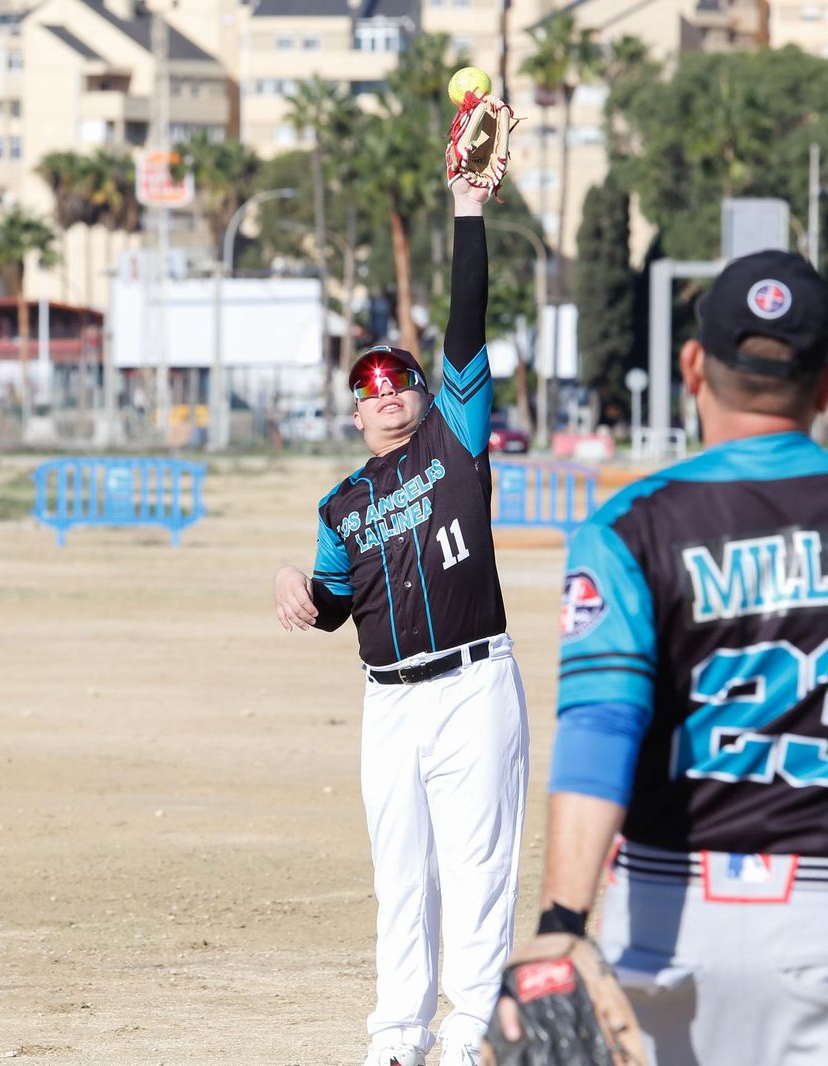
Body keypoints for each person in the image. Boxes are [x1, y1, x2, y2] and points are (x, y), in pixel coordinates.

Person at [499, 250, 828, 1066]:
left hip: (677, 917)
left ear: (691, 366)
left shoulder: (632, 525)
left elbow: (603, 724)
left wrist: (561, 924)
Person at [272, 176, 528, 1066]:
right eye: (367, 386)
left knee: (476, 868)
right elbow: (336, 606)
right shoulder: (340, 505)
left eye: (398, 379)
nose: (384, 392)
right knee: (401, 879)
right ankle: (396, 1037)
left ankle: (468, 1033)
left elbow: (466, 318)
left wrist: (467, 208)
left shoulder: (454, 440)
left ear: (426, 393)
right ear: (352, 412)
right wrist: (297, 589)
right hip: (389, 701)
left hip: (472, 680)